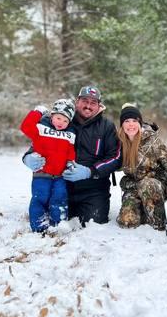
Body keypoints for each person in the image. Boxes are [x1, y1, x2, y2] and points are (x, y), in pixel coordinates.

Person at [23, 86, 121, 226]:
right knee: (51, 219)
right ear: (77, 101)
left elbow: (115, 157)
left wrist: (90, 171)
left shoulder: (107, 126)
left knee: (93, 223)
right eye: (84, 101)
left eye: (93, 103)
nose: (88, 106)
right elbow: (40, 142)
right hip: (61, 184)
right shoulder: (61, 119)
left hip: (93, 190)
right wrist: (28, 157)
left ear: (99, 105)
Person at [116, 103, 167, 231]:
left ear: (140, 122)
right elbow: (110, 164)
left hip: (157, 185)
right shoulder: (119, 143)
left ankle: (159, 225)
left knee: (148, 184)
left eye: (134, 121)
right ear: (122, 124)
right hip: (134, 186)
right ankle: (144, 211)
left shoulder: (152, 141)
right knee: (127, 221)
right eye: (127, 121)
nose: (131, 124)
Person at [20, 99, 76, 232]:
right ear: (52, 115)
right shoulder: (40, 128)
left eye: (65, 121)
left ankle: (59, 223)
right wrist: (37, 112)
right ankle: (39, 226)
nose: (61, 123)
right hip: (41, 174)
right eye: (58, 118)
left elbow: (70, 151)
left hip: (60, 175)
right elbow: (25, 127)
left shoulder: (70, 134)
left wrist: (70, 162)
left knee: (60, 198)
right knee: (40, 198)